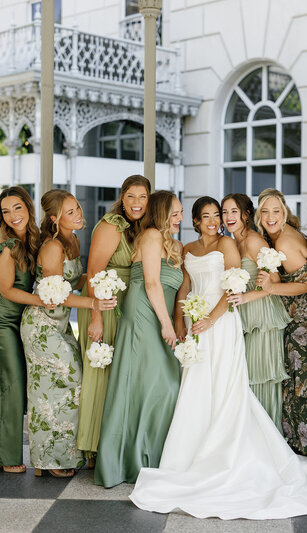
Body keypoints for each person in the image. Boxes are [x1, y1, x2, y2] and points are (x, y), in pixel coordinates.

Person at [129, 196, 307, 520]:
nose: (215, 220)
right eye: (208, 216)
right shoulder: (187, 250)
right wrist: (182, 321)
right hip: (197, 322)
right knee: (195, 386)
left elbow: (233, 287)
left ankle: (232, 452)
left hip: (222, 322)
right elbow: (184, 289)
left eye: (220, 214)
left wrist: (212, 318)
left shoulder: (229, 243)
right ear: (195, 222)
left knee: (228, 386)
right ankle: (190, 452)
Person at [20, 189, 115, 478]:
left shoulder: (72, 240)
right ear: (54, 218)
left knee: (69, 385)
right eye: (70, 212)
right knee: (61, 383)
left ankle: (61, 455)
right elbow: (56, 293)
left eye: (77, 209)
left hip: (60, 325)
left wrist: (106, 278)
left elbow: (76, 278)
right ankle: (49, 459)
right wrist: (93, 302)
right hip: (41, 326)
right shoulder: (52, 247)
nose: (78, 215)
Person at [94, 190, 183, 488]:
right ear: (162, 214)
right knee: (156, 386)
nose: (181, 218)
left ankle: (153, 457)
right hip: (145, 314)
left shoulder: (174, 243)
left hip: (162, 316)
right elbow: (151, 282)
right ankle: (131, 460)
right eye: (176, 213)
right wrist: (166, 324)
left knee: (162, 386)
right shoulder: (151, 237)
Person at [77, 175, 150, 462]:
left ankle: (111, 442)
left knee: (117, 374)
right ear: (122, 197)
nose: (136, 203)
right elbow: (94, 271)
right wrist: (96, 316)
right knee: (101, 369)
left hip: (125, 302)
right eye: (131, 196)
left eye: (142, 197)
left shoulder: (139, 228)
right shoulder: (112, 225)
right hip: (104, 302)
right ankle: (93, 446)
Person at [255, 189, 307, 462]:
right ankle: (299, 443)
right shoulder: (275, 236)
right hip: (296, 319)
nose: (271, 217)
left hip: (304, 322)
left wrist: (272, 287)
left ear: (284, 213)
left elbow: (306, 284)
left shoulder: (283, 240)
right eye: (265, 212)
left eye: (276, 211)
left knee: (304, 383)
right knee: (297, 382)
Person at [221, 193, 290, 432]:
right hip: (244, 315)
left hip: (262, 317)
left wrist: (245, 297)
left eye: (233, 211)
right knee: (244, 377)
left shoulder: (253, 241)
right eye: (225, 212)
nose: (228, 217)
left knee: (258, 377)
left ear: (246, 214)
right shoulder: (231, 242)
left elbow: (274, 282)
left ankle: (265, 439)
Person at [0, 186, 48, 474]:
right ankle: (8, 457)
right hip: (3, 321)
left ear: (28, 208)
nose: (12, 216)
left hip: (20, 322)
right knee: (13, 386)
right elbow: (6, 290)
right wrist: (42, 299)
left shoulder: (35, 241)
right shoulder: (7, 247)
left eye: (17, 208)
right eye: (5, 211)